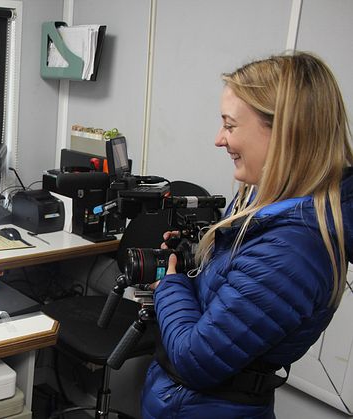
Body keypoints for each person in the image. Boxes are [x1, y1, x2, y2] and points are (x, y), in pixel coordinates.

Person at [141, 51, 353, 418]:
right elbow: (231, 286)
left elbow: (195, 359)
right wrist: (196, 256)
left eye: (230, 125)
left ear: (284, 132)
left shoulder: (294, 251)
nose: (219, 139)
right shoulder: (267, 203)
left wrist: (170, 284)